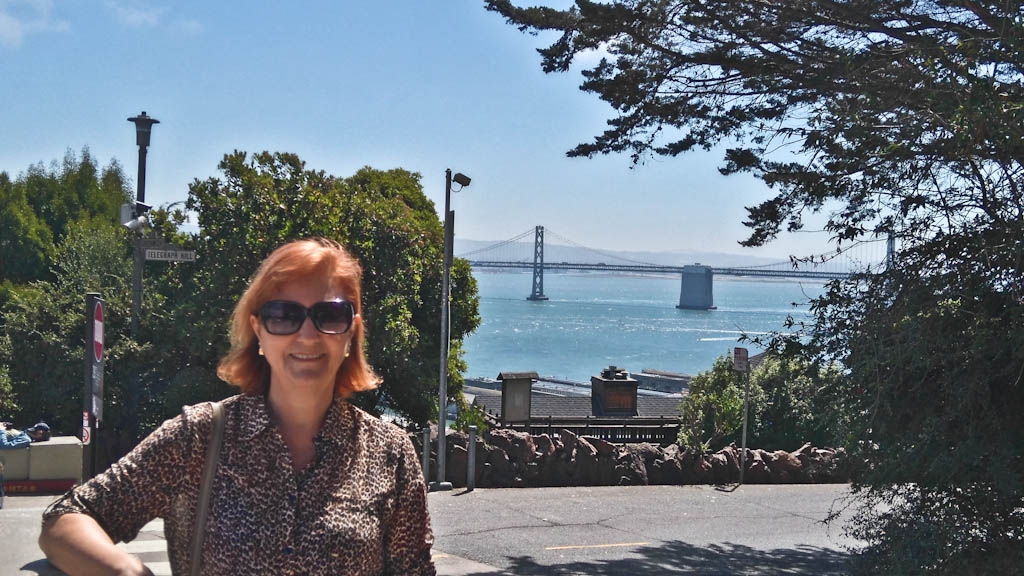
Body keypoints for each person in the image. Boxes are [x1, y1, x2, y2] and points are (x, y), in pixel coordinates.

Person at [39, 238, 435, 576]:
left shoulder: (390, 453)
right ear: (259, 330)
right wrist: (128, 571)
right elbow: (67, 519)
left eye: (330, 315)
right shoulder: (198, 436)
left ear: (351, 331)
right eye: (284, 316)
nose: (308, 334)